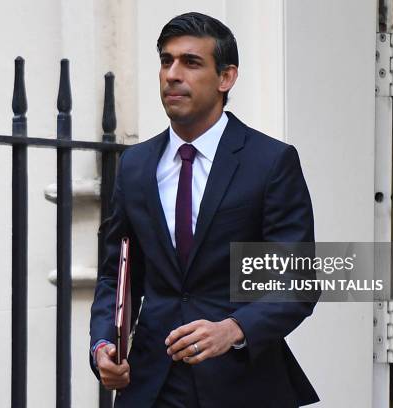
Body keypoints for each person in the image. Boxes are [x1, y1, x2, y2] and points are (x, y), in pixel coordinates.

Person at [89, 12, 320, 408]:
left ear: (226, 78)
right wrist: (103, 345)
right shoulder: (135, 165)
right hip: (150, 385)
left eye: (191, 62)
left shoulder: (270, 162)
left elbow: (296, 283)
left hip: (243, 383)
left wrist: (233, 328)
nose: (172, 75)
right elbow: (117, 273)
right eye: (166, 61)